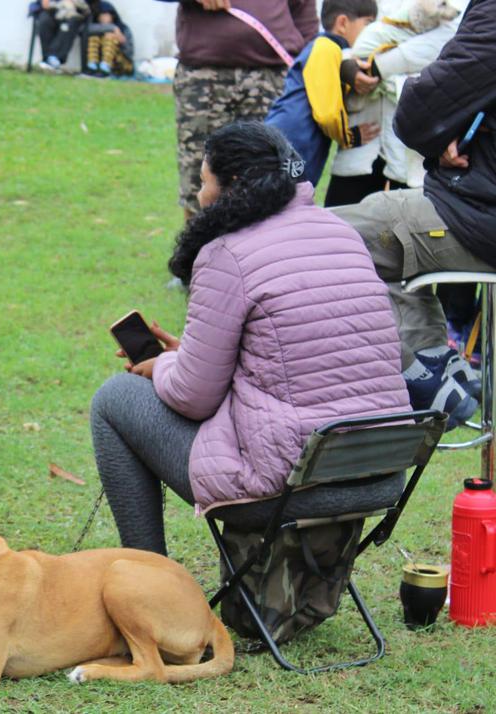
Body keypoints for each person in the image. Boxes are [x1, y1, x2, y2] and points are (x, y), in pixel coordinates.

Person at [91, 121, 410, 555]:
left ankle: (147, 575)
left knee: (113, 399)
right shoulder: (341, 232)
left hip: (288, 485)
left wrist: (162, 365)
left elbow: (193, 397)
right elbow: (302, 360)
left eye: (203, 182)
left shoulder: (227, 253)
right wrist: (189, 355)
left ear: (233, 185)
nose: (199, 196)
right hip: (382, 468)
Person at [332, 0, 495, 430]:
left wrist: (448, 124)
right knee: (382, 227)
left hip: (477, 216)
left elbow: (419, 108)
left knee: (328, 239)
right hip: (475, 204)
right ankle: (434, 361)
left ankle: (422, 374)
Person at [157, 0, 319, 218]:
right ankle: (199, 251)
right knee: (200, 183)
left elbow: (304, 11)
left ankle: (263, 252)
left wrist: (307, 61)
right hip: (204, 76)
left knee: (271, 184)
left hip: (273, 76)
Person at [323, 3, 459, 206]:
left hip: (413, 137)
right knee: (342, 222)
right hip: (362, 135)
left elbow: (451, 42)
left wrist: (377, 68)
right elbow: (333, 38)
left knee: (409, 226)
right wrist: (347, 66)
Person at [265, 0, 380, 187]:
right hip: (290, 139)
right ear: (342, 23)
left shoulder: (330, 49)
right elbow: (327, 114)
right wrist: (349, 137)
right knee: (283, 203)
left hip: (293, 140)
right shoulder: (326, 47)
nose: (374, 32)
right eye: (368, 24)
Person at [30, 0, 91, 73]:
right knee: (44, 20)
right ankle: (49, 59)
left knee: (69, 25)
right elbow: (45, 5)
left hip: (72, 14)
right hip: (52, 11)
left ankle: (53, 58)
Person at [85, 1, 133, 78]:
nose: (103, 18)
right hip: (100, 62)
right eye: (101, 15)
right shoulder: (97, 28)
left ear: (112, 16)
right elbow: (86, 30)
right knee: (94, 38)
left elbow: (129, 52)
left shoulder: (123, 29)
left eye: (106, 15)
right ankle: (93, 67)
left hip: (122, 64)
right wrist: (112, 28)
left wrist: (118, 39)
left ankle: (105, 68)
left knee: (109, 38)